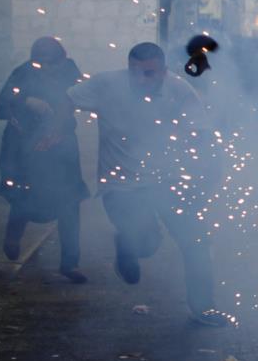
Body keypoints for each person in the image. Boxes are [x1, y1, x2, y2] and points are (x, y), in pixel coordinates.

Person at [67, 42, 229, 326]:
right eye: (136, 73)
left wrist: (207, 173)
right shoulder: (106, 84)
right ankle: (127, 246)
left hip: (169, 181)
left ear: (164, 72)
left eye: (150, 74)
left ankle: (203, 307)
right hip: (120, 186)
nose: (142, 80)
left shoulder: (179, 90)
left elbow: (201, 134)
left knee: (196, 241)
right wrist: (49, 132)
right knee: (146, 241)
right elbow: (65, 101)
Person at [0, 36, 88, 282]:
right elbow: (1, 109)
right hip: (23, 147)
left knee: (69, 202)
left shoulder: (71, 73)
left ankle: (70, 263)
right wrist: (25, 100)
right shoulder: (23, 73)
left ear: (61, 60)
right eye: (41, 64)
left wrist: (56, 130)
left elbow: (77, 104)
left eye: (51, 64)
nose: (45, 69)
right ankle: (13, 239)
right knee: (23, 196)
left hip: (60, 148)